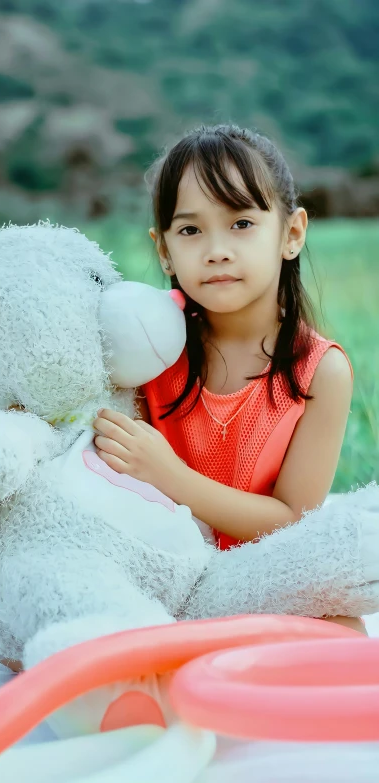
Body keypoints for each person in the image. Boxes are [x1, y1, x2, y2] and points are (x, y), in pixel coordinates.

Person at [92, 123, 366, 635]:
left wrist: (171, 476)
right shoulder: (147, 350)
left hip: (252, 575)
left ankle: (170, 654)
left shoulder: (319, 370)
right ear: (165, 250)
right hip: (155, 562)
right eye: (191, 230)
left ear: (292, 234)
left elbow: (291, 523)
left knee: (344, 631)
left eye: (241, 223)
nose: (216, 250)